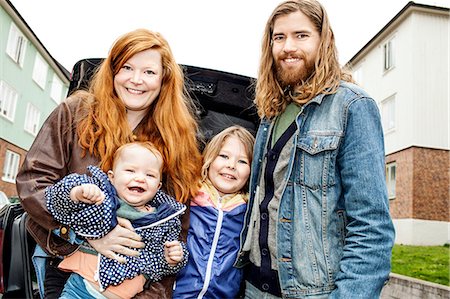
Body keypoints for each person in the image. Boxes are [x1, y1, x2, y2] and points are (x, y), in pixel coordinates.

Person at [16, 28, 202, 299]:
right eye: (127, 67)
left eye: (149, 72)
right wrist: (87, 235)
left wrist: (149, 293)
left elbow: (177, 229)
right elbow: (32, 183)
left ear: (164, 80)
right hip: (66, 263)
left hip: (135, 283)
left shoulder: (177, 141)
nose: (136, 80)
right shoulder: (76, 113)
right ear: (113, 71)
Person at [235, 1, 396, 298]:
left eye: (301, 35)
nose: (288, 47)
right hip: (252, 287)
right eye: (279, 37)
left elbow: (372, 228)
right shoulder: (271, 113)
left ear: (324, 41)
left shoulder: (352, 107)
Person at [46, 142, 187, 299]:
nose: (140, 178)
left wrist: (172, 259)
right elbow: (57, 203)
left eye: (150, 175)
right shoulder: (100, 196)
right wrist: (76, 194)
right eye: (130, 170)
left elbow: (160, 266)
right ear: (112, 177)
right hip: (81, 291)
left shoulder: (164, 218)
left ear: (158, 186)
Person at [173, 125, 255, 299]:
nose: (231, 165)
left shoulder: (248, 213)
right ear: (209, 159)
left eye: (242, 161)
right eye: (224, 156)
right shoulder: (187, 199)